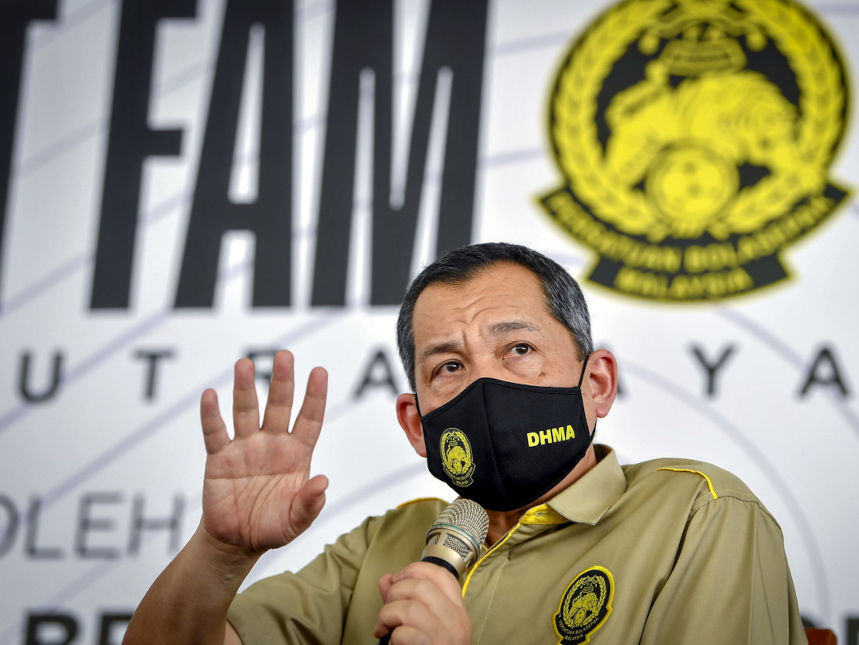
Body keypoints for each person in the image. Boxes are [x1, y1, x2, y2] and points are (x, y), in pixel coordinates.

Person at [124, 242, 808, 644]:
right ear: (417, 425)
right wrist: (219, 554)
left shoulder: (701, 515)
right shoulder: (384, 547)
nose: (484, 382)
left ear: (596, 383)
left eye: (517, 348)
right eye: (448, 366)